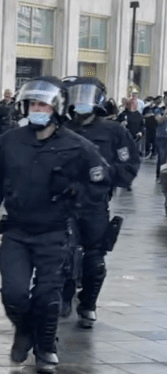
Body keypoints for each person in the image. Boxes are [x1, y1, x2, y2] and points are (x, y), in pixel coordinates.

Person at [0, 76, 111, 374]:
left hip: (55, 233)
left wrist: (74, 192)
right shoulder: (9, 142)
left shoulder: (78, 147)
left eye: (43, 105)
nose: (37, 109)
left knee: (48, 296)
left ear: (57, 109)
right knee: (13, 292)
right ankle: (24, 329)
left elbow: (100, 183)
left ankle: (46, 347)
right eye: (33, 104)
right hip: (17, 231)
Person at [61, 77, 138, 328]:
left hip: (94, 203)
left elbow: (128, 166)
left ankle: (88, 304)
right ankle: (63, 296)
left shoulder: (114, 131)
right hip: (63, 201)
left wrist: (105, 174)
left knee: (95, 258)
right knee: (61, 252)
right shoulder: (61, 128)